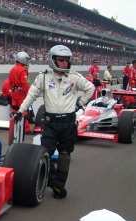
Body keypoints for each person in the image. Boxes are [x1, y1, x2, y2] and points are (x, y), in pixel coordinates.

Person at [16, 45, 94, 199]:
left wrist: (80, 103)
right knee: (46, 154)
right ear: (53, 60)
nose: (65, 62)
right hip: (50, 123)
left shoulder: (74, 77)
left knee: (65, 154)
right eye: (61, 60)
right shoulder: (44, 76)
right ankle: (54, 183)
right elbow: (31, 95)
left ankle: (60, 185)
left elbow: (90, 88)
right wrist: (20, 111)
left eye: (67, 60)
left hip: (68, 123)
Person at [8, 51, 31, 133]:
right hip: (20, 92)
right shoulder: (23, 70)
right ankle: (26, 129)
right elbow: (24, 83)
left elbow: (9, 82)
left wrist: (12, 91)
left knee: (14, 109)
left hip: (14, 91)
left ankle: (13, 126)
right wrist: (29, 92)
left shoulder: (12, 69)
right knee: (23, 109)